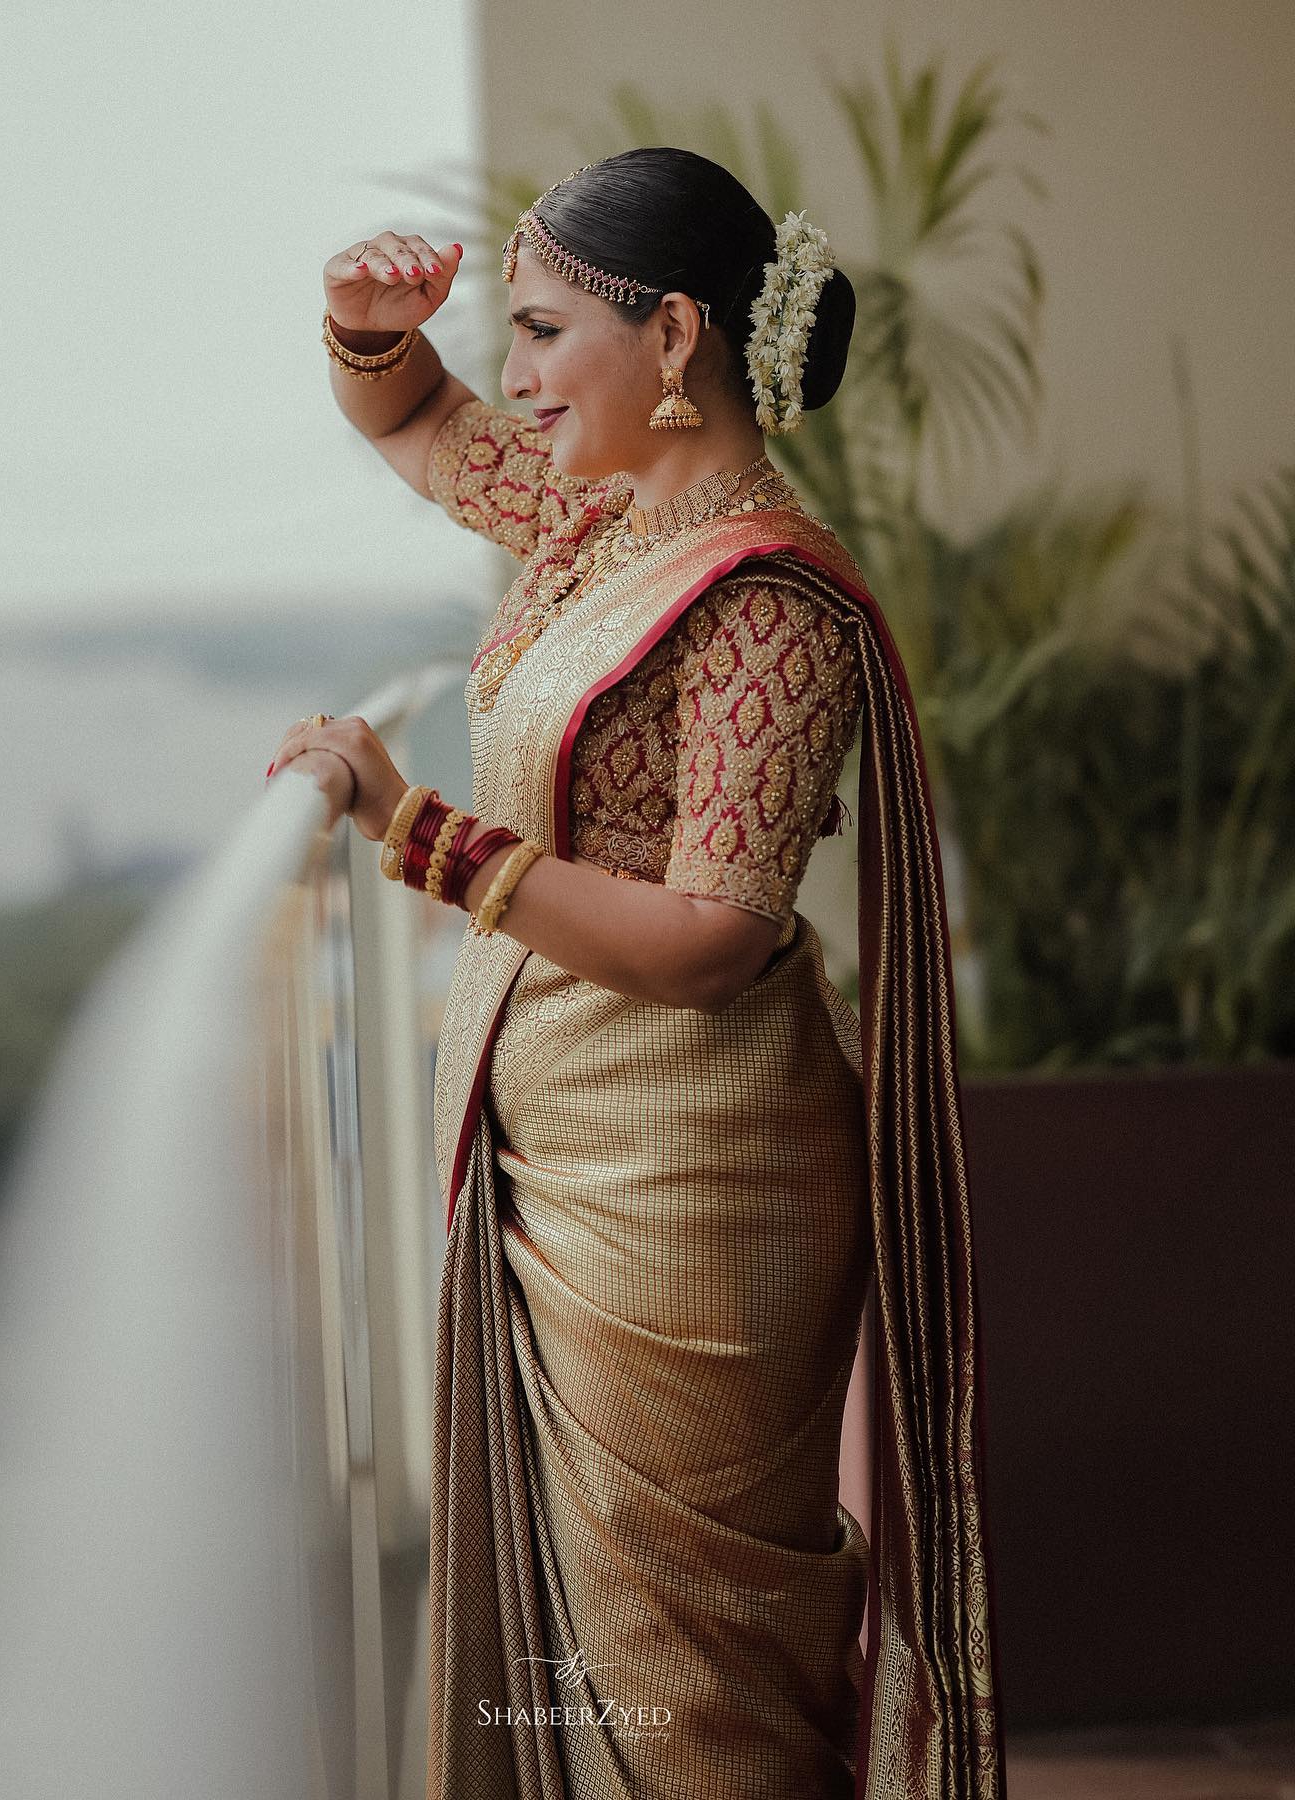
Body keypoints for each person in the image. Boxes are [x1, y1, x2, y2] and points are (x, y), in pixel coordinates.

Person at [266, 148, 1007, 1800]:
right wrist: (365, 328)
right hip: (558, 1152)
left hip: (695, 1188)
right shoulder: (605, 526)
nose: (513, 379)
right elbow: (411, 425)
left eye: (539, 334)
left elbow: (716, 936)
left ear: (672, 337)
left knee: (690, 1684)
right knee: (590, 1677)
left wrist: (421, 831)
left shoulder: (769, 606)